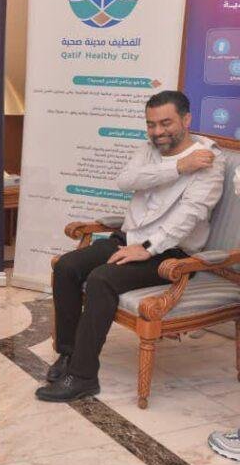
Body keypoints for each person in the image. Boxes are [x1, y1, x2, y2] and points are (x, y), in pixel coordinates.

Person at [37, 90, 226, 402]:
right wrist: (178, 167)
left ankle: (83, 377)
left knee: (101, 279)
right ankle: (68, 354)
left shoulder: (208, 160)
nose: (157, 131)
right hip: (130, 239)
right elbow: (126, 181)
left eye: (166, 123)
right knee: (67, 267)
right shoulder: (152, 149)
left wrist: (148, 248)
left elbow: (189, 216)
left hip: (171, 254)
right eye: (151, 124)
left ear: (186, 120)